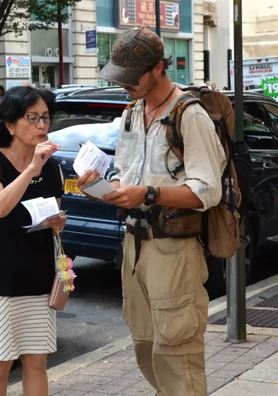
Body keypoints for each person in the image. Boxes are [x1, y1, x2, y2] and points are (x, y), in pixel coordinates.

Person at [77, 26, 225, 395]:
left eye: (132, 77)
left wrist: (150, 193)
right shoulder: (132, 113)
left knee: (178, 352)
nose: (125, 84)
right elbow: (123, 176)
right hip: (133, 246)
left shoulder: (189, 115)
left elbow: (208, 191)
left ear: (159, 68)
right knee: (145, 345)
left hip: (174, 250)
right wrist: (102, 189)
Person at [0, 86, 66, 396]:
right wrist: (30, 169)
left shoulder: (52, 167)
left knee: (36, 361)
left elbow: (53, 221)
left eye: (46, 117)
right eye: (33, 118)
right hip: (0, 280)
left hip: (39, 278)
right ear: (11, 124)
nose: (42, 125)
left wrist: (57, 223)